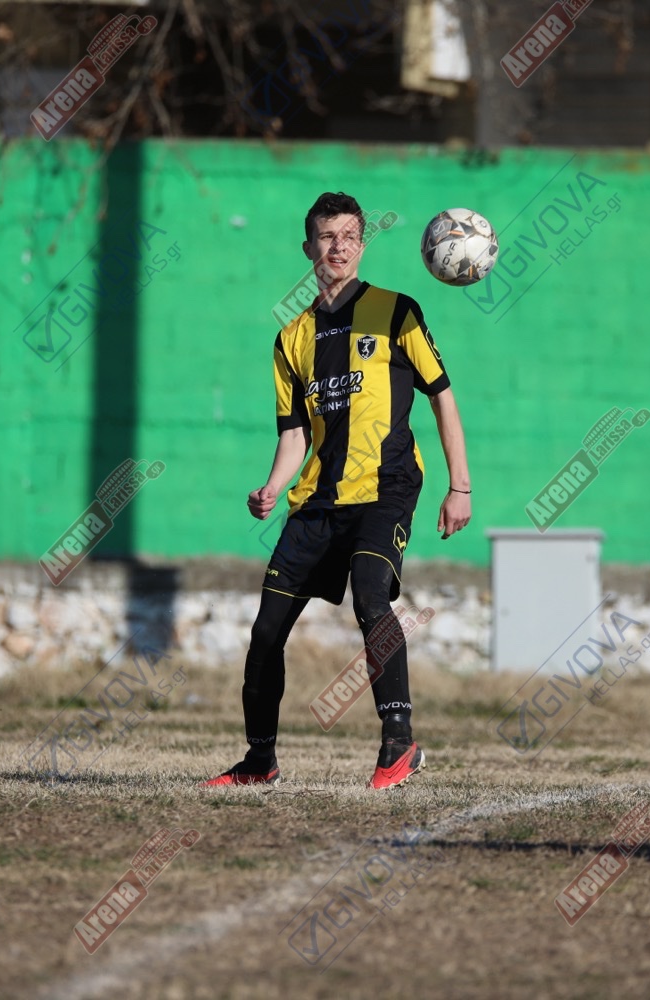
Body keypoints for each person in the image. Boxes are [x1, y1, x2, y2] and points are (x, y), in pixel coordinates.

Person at [200, 192, 473, 791]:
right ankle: (259, 761)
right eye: (327, 237)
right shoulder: (291, 339)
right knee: (266, 630)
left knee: (371, 596)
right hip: (318, 502)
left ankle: (399, 742)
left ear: (362, 245)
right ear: (309, 248)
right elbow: (294, 433)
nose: (339, 247)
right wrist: (273, 486)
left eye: (349, 236)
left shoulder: (397, 312)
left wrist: (460, 486)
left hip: (386, 488)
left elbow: (442, 397)